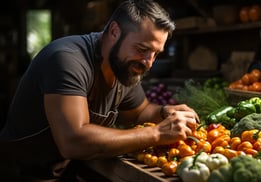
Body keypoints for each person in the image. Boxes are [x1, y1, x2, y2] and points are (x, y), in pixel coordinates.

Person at [0, 0, 199, 181]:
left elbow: (139, 112)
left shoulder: (123, 66)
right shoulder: (67, 59)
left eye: (155, 53)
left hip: (69, 167)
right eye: (142, 48)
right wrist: (156, 133)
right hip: (24, 172)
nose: (148, 62)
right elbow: (73, 141)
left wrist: (164, 112)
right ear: (114, 32)